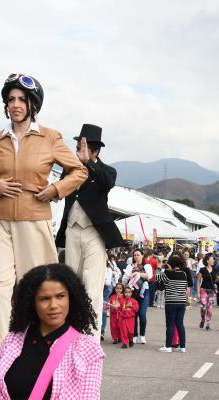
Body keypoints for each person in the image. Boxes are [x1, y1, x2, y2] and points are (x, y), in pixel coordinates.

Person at [0, 73, 87, 399]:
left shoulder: (50, 137)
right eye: (11, 100)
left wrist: (54, 189)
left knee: (43, 291)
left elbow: (79, 171)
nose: (15, 105)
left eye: (22, 100)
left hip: (35, 222)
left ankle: (51, 366)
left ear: (33, 104)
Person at [0, 263, 104, 399]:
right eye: (44, 299)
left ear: (71, 297)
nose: (53, 305)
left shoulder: (87, 349)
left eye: (60, 296)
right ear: (32, 302)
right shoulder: (11, 341)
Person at [56, 123, 123, 339]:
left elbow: (106, 184)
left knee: (92, 284)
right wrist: (77, 165)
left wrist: (90, 163)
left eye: (82, 145)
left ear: (95, 150)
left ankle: (91, 336)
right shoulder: (70, 169)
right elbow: (62, 188)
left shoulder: (106, 170)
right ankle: (69, 331)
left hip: (95, 232)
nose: (78, 148)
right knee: (71, 283)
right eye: (77, 144)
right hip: (72, 230)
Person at [155, 252, 189, 353]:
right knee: (180, 324)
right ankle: (182, 347)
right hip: (181, 301)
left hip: (171, 302)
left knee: (170, 325)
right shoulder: (184, 274)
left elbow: (156, 277)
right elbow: (184, 287)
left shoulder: (168, 273)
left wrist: (160, 267)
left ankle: (168, 346)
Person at [122, 249, 153, 344]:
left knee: (142, 314)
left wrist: (138, 274)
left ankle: (142, 335)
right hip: (132, 293)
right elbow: (124, 280)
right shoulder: (129, 266)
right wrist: (129, 276)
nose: (136, 256)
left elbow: (149, 276)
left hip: (144, 292)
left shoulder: (147, 265)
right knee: (133, 314)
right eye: (134, 255)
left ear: (142, 255)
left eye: (138, 255)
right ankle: (134, 334)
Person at [100, 255, 121, 341]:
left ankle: (101, 331)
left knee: (103, 310)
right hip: (96, 288)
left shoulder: (110, 265)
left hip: (106, 289)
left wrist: (113, 273)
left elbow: (118, 274)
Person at [197, 253, 218, 331]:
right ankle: (202, 319)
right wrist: (198, 291)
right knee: (203, 308)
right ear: (207, 261)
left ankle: (208, 324)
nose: (213, 260)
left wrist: (216, 282)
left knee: (209, 309)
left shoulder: (215, 269)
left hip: (212, 291)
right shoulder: (202, 270)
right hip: (203, 289)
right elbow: (198, 280)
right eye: (212, 259)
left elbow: (215, 280)